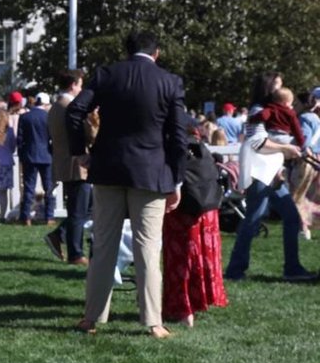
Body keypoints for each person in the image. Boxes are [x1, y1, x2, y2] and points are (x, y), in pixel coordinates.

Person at [67, 30, 188, 338]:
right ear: (157, 52)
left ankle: (91, 317)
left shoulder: (107, 74)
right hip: (151, 173)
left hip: (108, 169)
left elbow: (74, 111)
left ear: (127, 50)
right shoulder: (169, 81)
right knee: (147, 248)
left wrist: (80, 151)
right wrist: (177, 179)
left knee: (104, 246)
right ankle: (153, 321)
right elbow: (178, 136)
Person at [224, 115, 315, 283]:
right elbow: (257, 143)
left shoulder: (273, 113)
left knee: (291, 217)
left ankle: (292, 268)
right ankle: (235, 269)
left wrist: (280, 165)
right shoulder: (260, 110)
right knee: (253, 219)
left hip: (270, 172)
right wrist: (286, 148)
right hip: (260, 173)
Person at [162, 134, 228, 328]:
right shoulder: (197, 145)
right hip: (205, 207)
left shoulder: (164, 140)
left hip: (180, 207)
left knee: (181, 259)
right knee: (202, 257)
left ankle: (183, 309)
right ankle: (200, 301)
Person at [45, 71, 92, 266]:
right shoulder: (70, 106)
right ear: (73, 85)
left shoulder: (56, 106)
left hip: (67, 162)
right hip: (77, 163)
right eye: (80, 85)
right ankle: (75, 253)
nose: (81, 89)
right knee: (79, 211)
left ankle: (60, 234)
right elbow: (84, 133)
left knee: (87, 208)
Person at [17, 92, 52, 225]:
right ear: (45, 103)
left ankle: (26, 217)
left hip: (29, 155)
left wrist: (22, 155)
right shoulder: (48, 117)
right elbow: (53, 138)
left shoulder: (25, 117)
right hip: (46, 155)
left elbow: (19, 139)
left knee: (28, 187)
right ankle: (49, 217)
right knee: (48, 187)